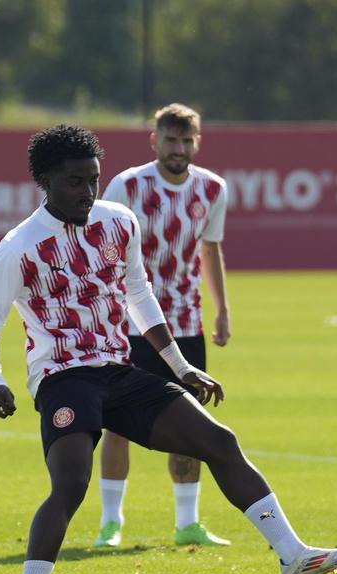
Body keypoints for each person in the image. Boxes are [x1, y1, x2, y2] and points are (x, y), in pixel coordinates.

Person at [0, 124, 337, 574]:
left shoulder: (119, 222)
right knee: (70, 485)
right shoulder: (18, 247)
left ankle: (293, 557)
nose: (86, 191)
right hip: (64, 377)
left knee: (219, 441)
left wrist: (179, 365)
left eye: (93, 180)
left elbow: (138, 292)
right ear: (44, 181)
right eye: (73, 182)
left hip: (119, 369)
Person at [93, 103, 232, 548]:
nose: (179, 148)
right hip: (130, 326)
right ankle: (111, 524)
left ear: (198, 142)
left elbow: (210, 251)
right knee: (118, 424)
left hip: (186, 323)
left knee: (190, 422)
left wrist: (222, 309)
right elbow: (103, 248)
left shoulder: (212, 189)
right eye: (171, 140)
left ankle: (188, 522)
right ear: (154, 141)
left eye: (186, 140)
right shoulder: (128, 185)